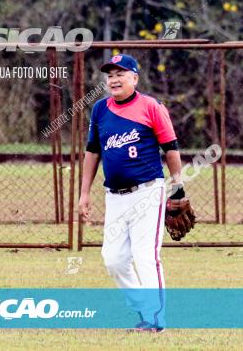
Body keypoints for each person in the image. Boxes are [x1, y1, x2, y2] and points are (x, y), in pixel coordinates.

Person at [78, 53, 185, 332]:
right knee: (113, 259)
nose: (114, 79)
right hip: (114, 195)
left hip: (148, 192)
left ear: (134, 78)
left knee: (145, 256)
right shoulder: (100, 110)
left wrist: (178, 189)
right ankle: (144, 310)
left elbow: (171, 149)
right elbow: (92, 152)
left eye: (120, 73)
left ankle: (155, 319)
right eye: (110, 75)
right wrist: (84, 193)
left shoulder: (152, 107)